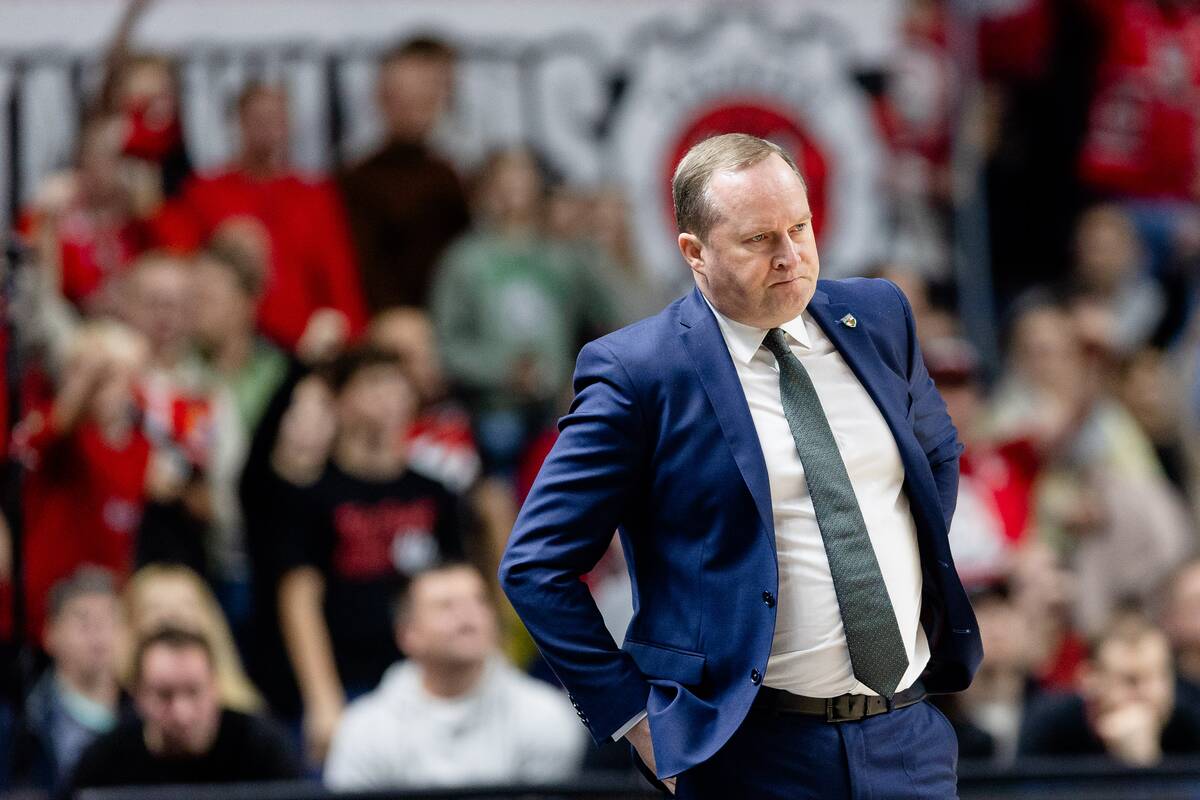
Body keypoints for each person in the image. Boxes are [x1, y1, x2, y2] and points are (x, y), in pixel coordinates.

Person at [499, 133, 981, 798]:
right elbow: (534, 566)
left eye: (800, 228)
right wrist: (636, 721)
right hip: (744, 750)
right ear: (694, 252)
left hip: (906, 735)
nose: (790, 256)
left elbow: (936, 457)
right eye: (758, 239)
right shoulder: (639, 372)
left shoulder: (877, 314)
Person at [274, 346, 473, 763]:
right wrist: (322, 698)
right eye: (373, 384)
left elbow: (461, 587)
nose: (389, 396)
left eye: (398, 385)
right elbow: (299, 598)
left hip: (426, 679)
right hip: (349, 680)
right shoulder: (312, 496)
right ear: (340, 401)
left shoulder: (435, 492)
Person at [325, 562, 585, 789]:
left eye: (479, 600)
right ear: (407, 634)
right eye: (446, 606)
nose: (467, 615)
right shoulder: (364, 729)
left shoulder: (545, 715)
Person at [153, 82, 366, 350]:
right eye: (257, 118)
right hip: (226, 337)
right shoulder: (205, 191)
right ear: (238, 123)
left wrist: (352, 335)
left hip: (301, 340)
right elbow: (179, 255)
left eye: (275, 118)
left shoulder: (315, 195)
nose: (266, 127)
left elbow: (339, 274)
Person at [66, 626, 299, 794]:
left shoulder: (261, 748)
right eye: (164, 695)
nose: (181, 713)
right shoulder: (106, 761)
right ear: (138, 695)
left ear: (216, 687)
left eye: (193, 691)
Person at [339, 37, 470, 312]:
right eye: (407, 99)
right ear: (383, 99)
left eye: (427, 99)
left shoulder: (451, 176)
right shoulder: (359, 179)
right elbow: (360, 268)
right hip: (389, 320)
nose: (418, 111)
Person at [1019, 612, 1200, 766]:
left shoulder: (1191, 724)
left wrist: (1146, 760)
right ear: (1089, 679)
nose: (1144, 692)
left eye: (1155, 677)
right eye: (1130, 680)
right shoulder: (1050, 726)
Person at [10, 569, 127, 793]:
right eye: (83, 620)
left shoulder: (148, 710)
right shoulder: (24, 723)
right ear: (50, 634)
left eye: (110, 619)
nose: (98, 632)